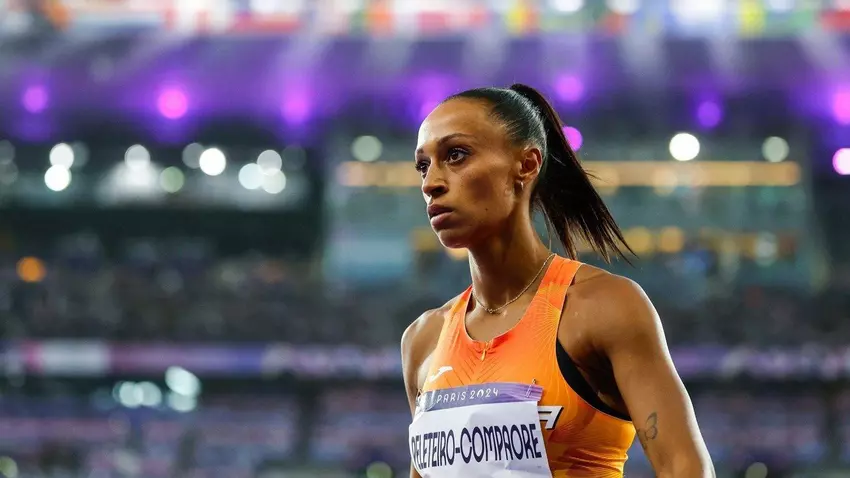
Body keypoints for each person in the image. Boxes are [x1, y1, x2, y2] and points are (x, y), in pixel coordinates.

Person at [401, 84, 714, 477]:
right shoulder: (424, 340)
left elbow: (685, 468)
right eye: (423, 166)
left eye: (456, 155)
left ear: (527, 164)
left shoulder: (601, 308)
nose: (431, 183)